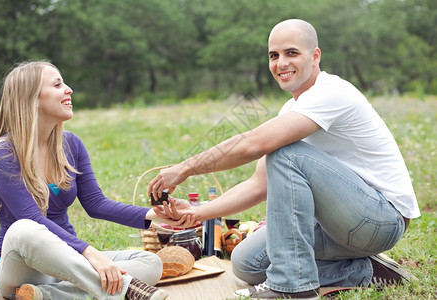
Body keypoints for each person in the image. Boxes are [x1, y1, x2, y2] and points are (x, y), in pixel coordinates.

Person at [148, 19, 420, 299]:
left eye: (292, 53)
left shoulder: (332, 93)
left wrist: (185, 168)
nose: (281, 63)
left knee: (284, 152)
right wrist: (197, 212)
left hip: (380, 221)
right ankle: (363, 269)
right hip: (338, 226)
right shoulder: (292, 109)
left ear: (315, 56)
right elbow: (258, 184)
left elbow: (254, 143)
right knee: (246, 262)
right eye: (273, 55)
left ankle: (293, 287)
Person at [0, 61, 191, 300]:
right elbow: (31, 217)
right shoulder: (2, 153)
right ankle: (127, 291)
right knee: (24, 228)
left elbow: (95, 203)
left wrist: (155, 215)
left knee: (150, 263)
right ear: (31, 97)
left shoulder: (71, 144)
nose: (69, 89)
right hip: (23, 265)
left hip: (67, 261)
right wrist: (90, 252)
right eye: (57, 84)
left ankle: (45, 295)